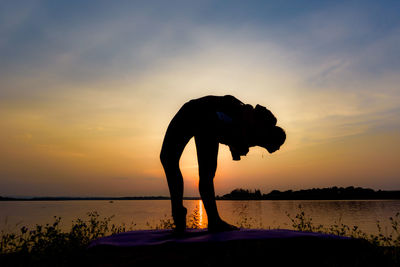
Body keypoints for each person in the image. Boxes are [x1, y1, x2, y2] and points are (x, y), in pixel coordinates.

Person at [160, 95, 286, 232]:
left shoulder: (254, 133)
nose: (277, 149)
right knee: (172, 160)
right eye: (278, 145)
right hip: (202, 115)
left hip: (196, 113)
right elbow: (229, 121)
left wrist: (237, 146)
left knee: (184, 166)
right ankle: (195, 216)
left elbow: (230, 132)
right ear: (271, 138)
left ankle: (189, 215)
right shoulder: (254, 126)